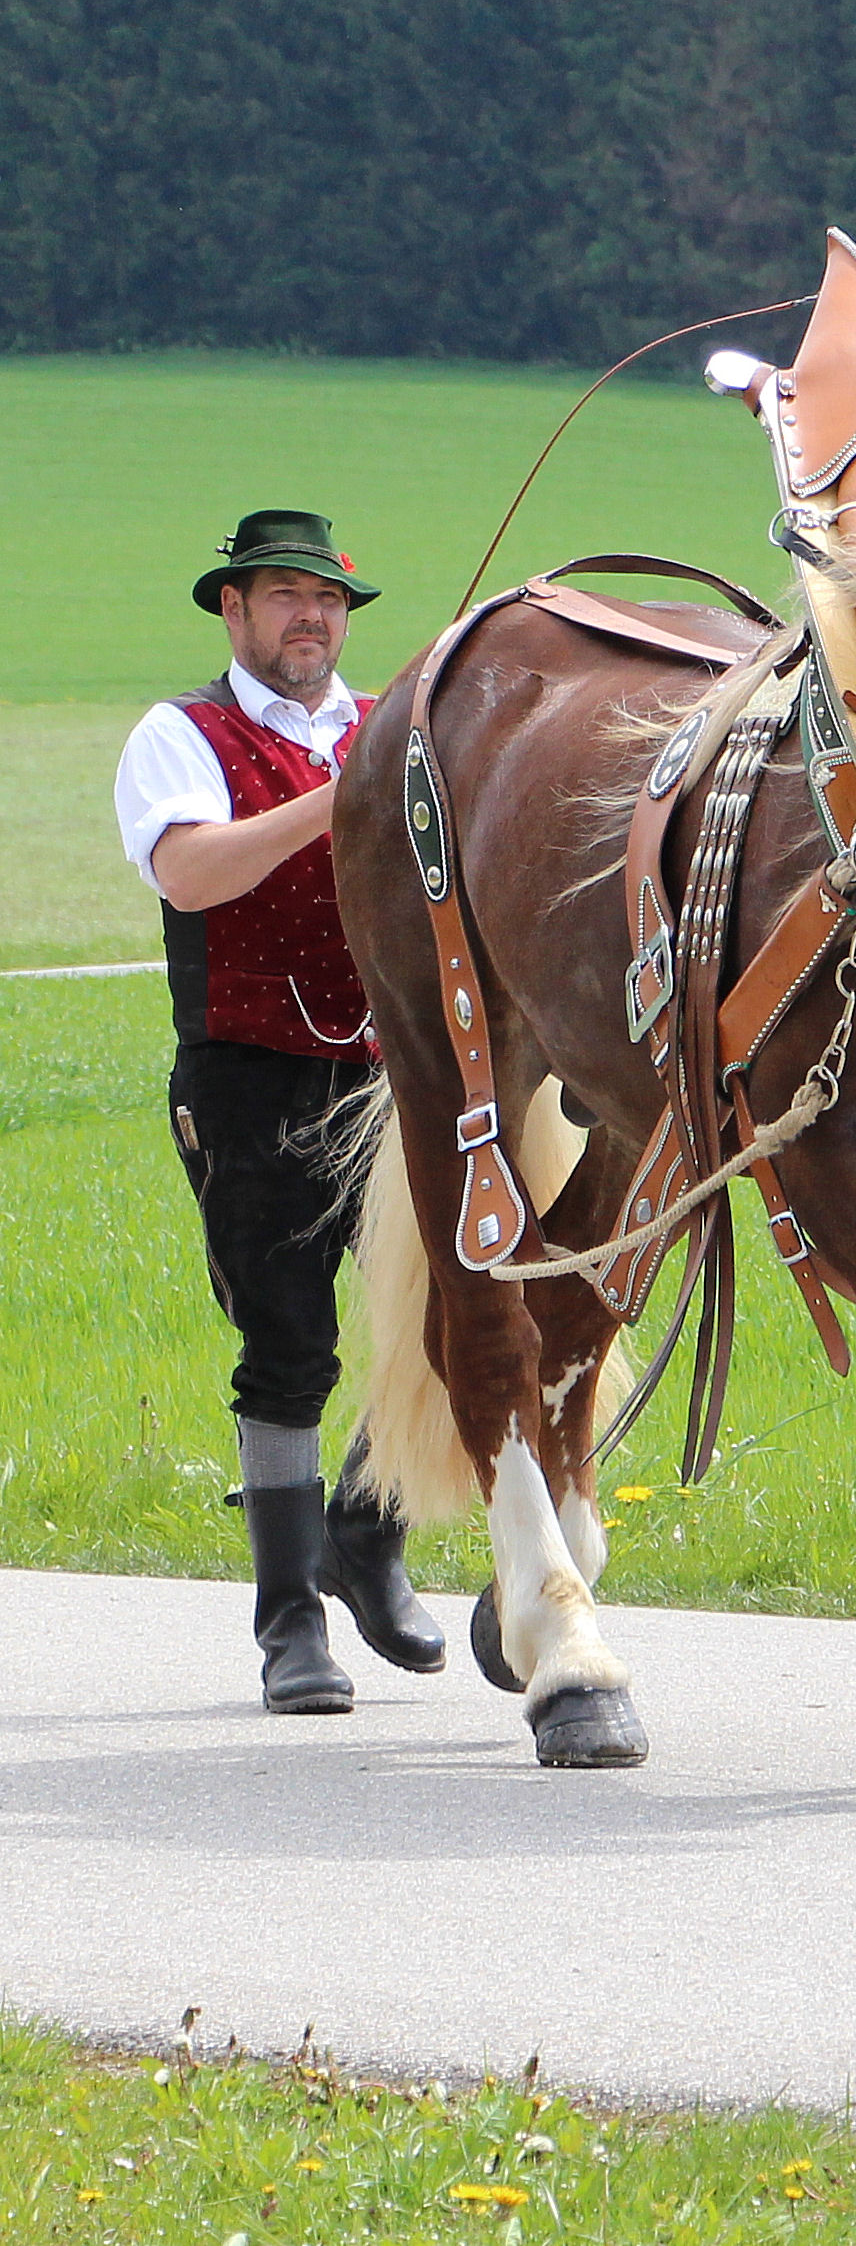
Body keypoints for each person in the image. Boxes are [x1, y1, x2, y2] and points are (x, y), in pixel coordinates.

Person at [114, 510, 445, 1712]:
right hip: (247, 1076)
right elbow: (194, 871)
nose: (314, 616)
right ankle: (290, 1621)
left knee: (446, 1315)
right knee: (290, 1345)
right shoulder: (181, 734)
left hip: (390, 1072)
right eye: (287, 594)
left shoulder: (383, 732)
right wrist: (342, 796)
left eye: (331, 599)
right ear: (234, 608)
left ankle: (366, 1524)